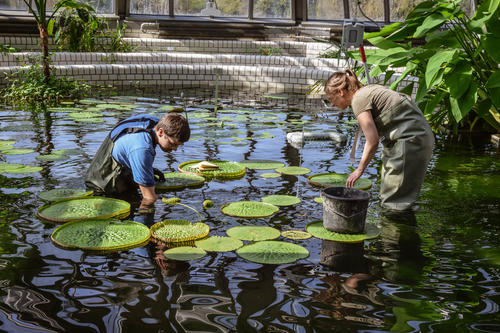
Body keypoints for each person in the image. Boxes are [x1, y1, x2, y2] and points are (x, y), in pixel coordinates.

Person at [324, 69, 434, 211]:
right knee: (400, 197)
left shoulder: (358, 99)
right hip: (417, 137)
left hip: (409, 140)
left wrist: (359, 169)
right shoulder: (367, 90)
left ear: (340, 92)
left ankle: (393, 232)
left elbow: (372, 140)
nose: (332, 104)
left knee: (393, 204)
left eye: (331, 99)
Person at [85, 113, 190, 210]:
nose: (175, 149)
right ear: (161, 132)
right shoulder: (142, 148)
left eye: (178, 145)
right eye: (173, 144)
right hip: (103, 186)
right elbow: (149, 198)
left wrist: (149, 171)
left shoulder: (153, 122)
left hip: (120, 170)